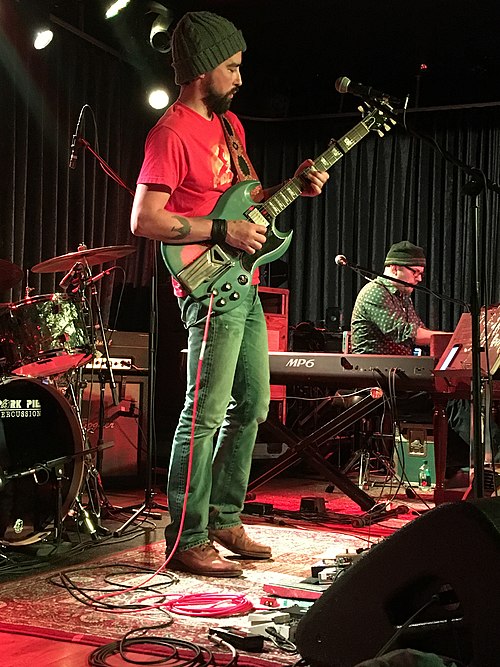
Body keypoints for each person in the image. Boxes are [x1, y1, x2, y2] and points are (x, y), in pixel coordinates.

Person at [130, 11, 329, 577]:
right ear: (200, 68)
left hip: (241, 285)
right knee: (205, 413)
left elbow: (243, 199)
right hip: (205, 286)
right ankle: (186, 536)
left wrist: (292, 186)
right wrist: (222, 231)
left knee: (254, 407)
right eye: (232, 66)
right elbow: (145, 219)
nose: (240, 77)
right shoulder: (169, 133)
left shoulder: (231, 127)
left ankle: (223, 517)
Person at [351, 241, 447, 355]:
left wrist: (448, 339)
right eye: (415, 272)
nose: (419, 279)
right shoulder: (375, 291)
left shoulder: (402, 295)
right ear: (395, 269)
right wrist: (449, 339)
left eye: (421, 274)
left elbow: (418, 328)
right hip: (372, 367)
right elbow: (401, 332)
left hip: (395, 367)